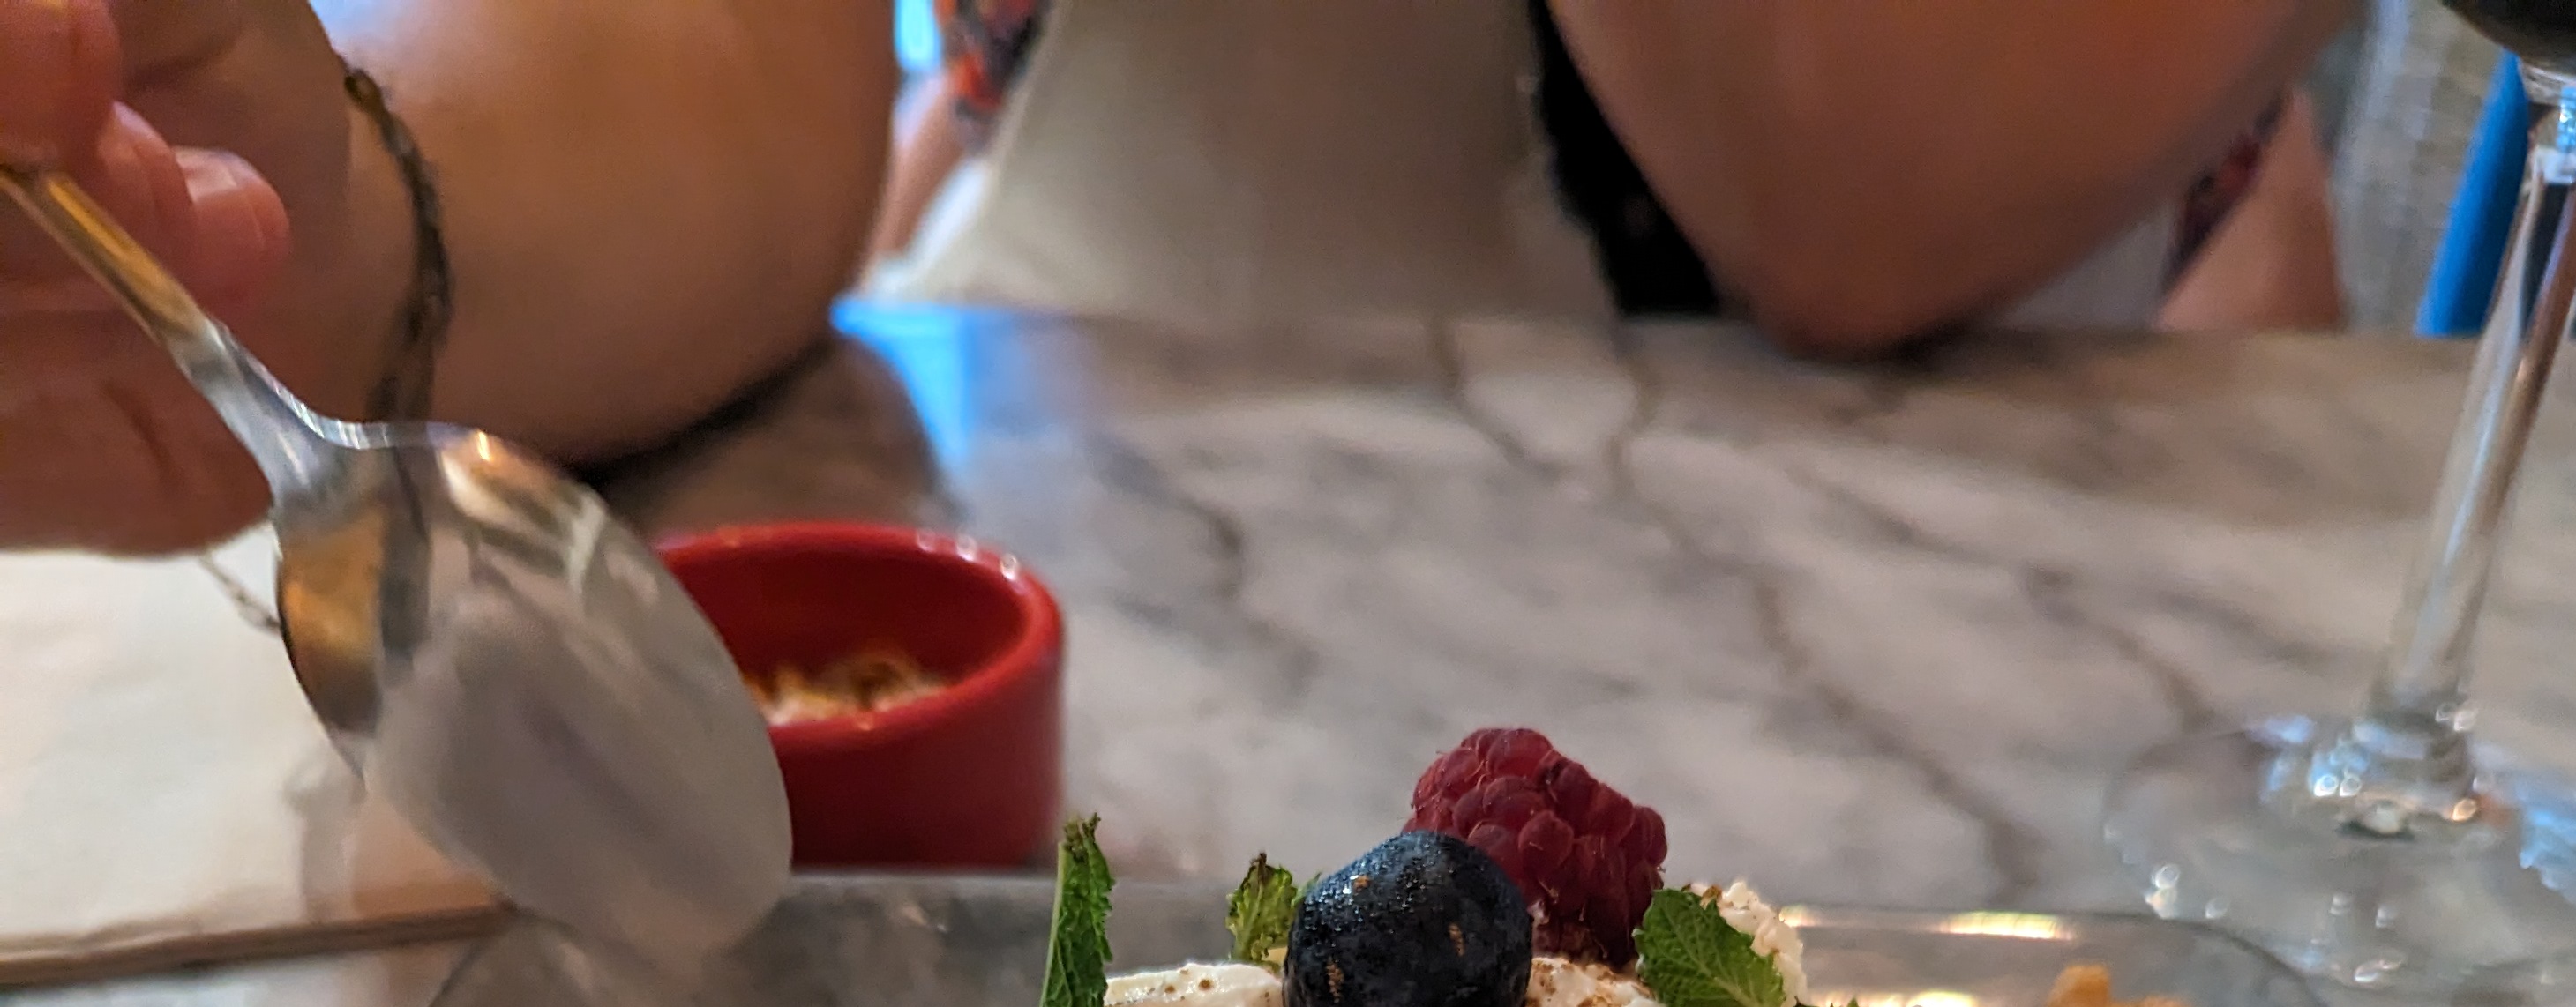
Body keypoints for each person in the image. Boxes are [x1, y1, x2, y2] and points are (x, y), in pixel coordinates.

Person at [0, 0, 2343, 563]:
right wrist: (353, 235)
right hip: (1073, 515)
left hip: (2002, 556)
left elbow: (1864, 186)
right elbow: (732, 77)